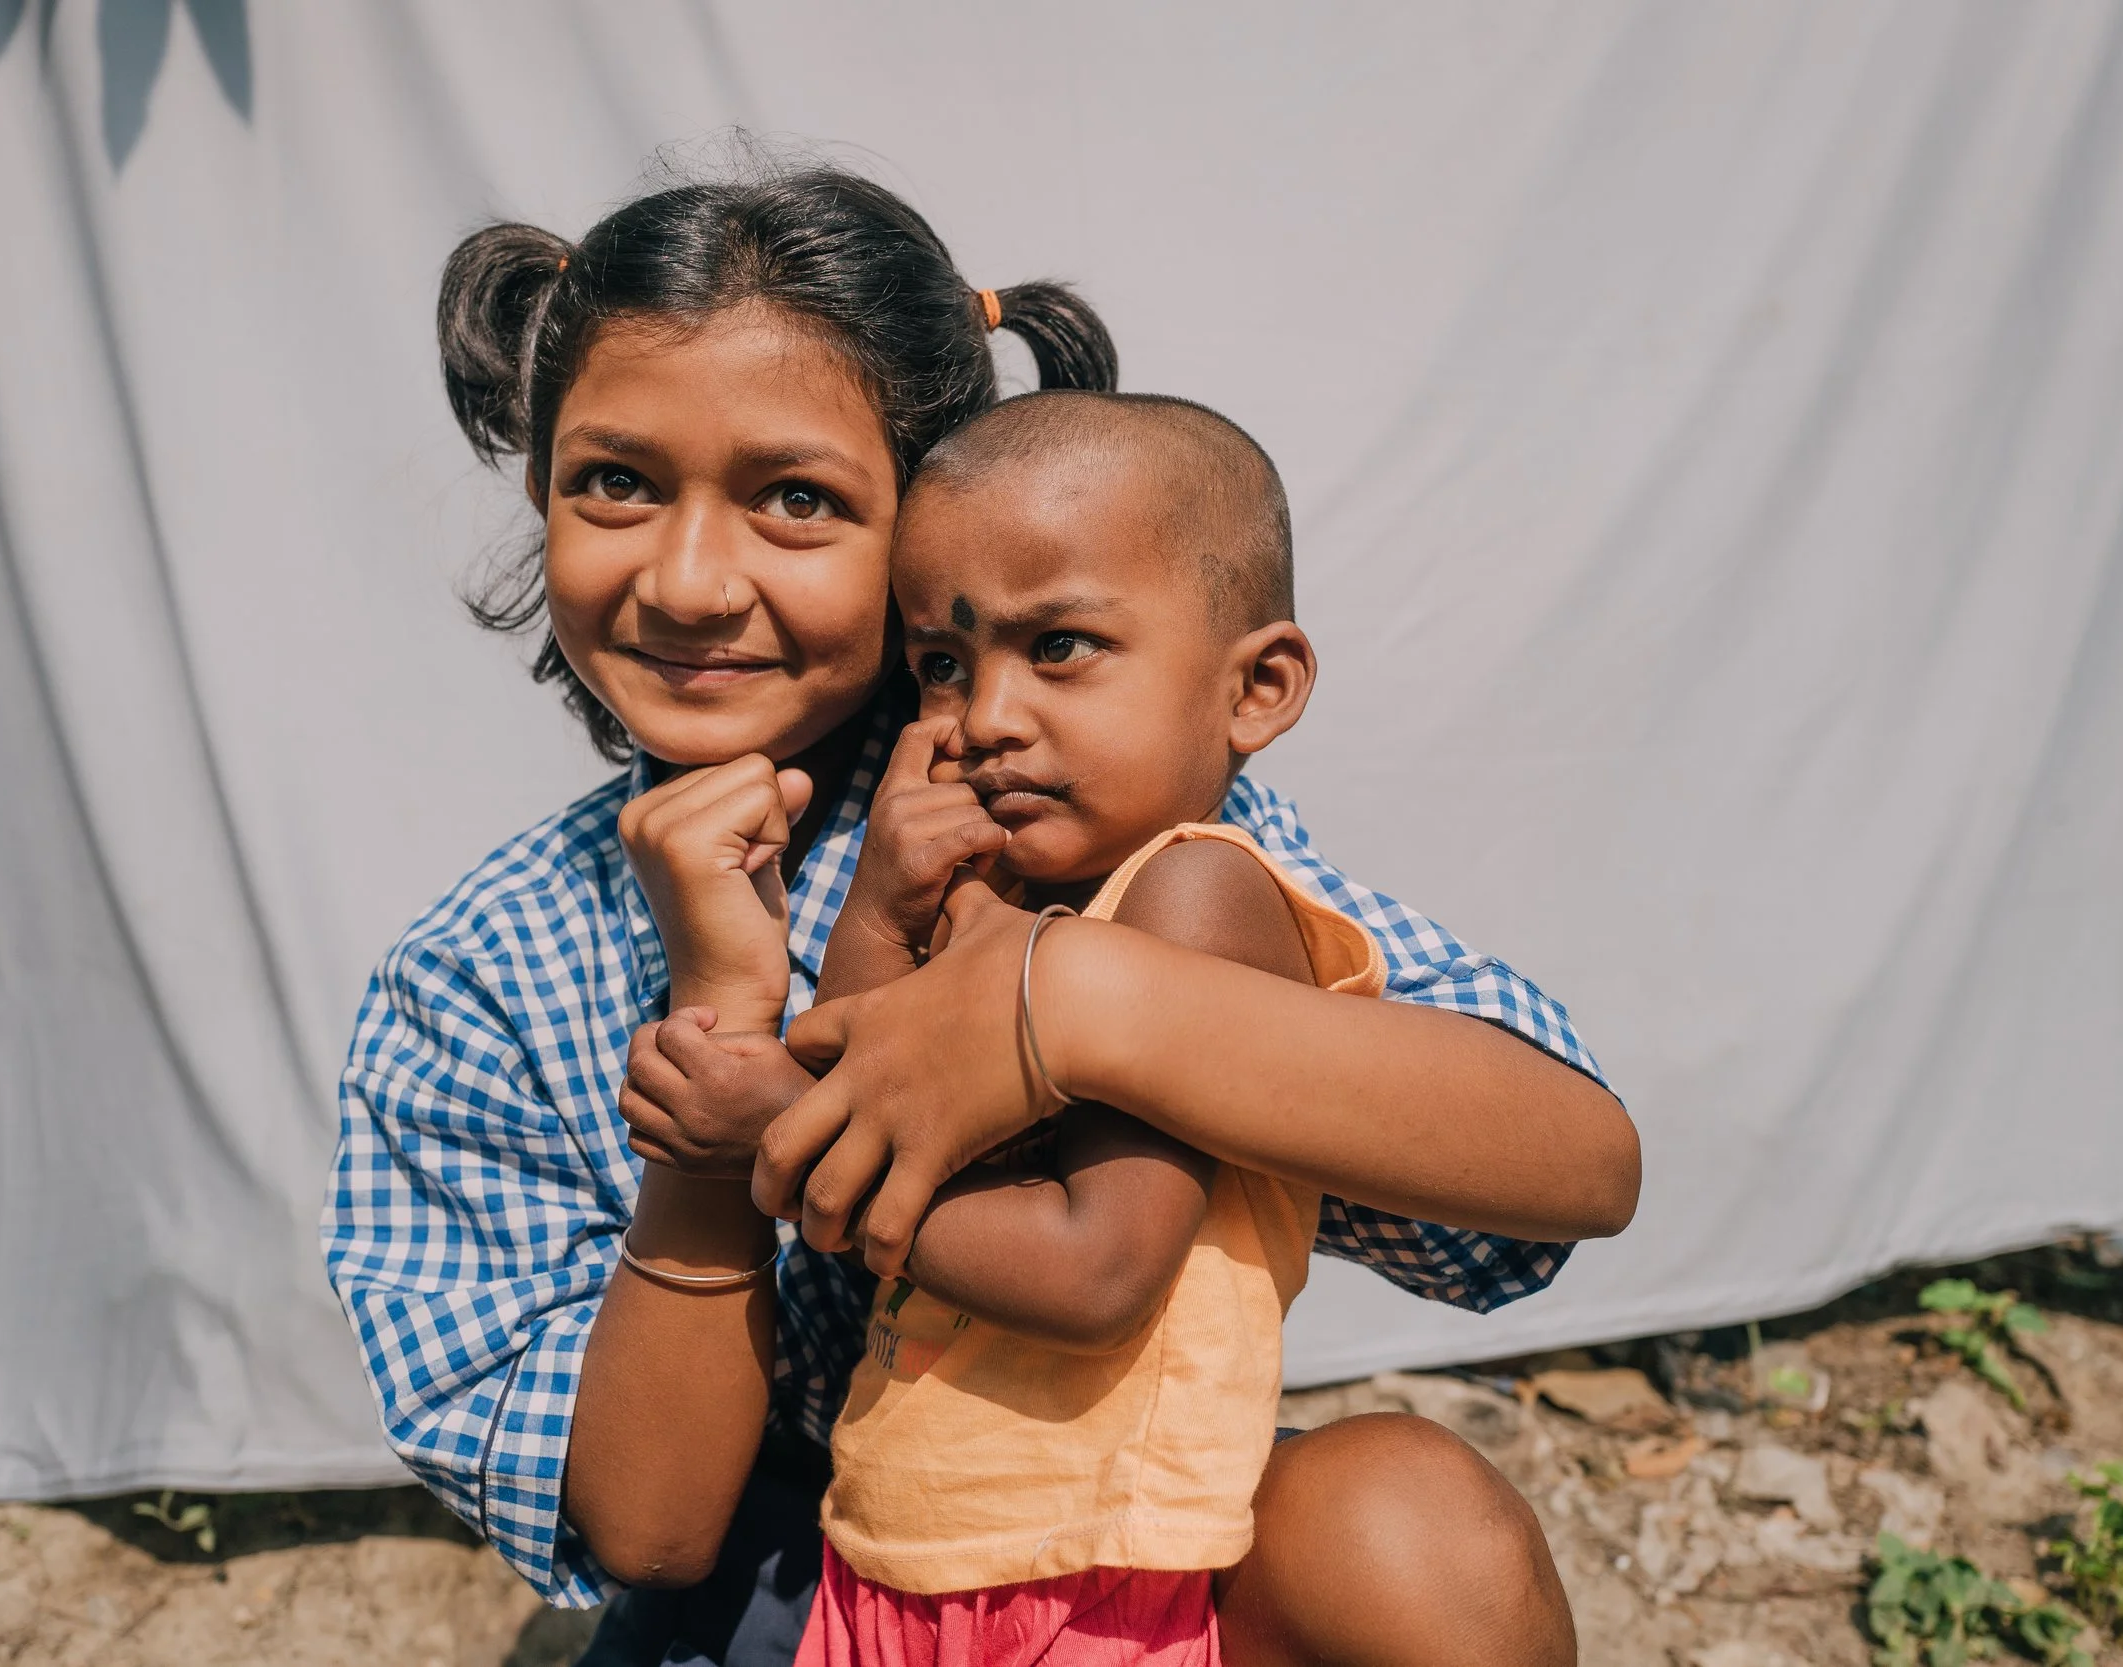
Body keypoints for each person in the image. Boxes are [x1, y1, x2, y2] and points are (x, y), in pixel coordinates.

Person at [322, 163, 1639, 1667]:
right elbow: (657, 1530)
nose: (689, 579)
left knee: (1405, 1523)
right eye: (614, 480)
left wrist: (1080, 1004)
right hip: (779, 1603)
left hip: (1103, 1550)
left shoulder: (1060, 810)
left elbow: (1570, 1169)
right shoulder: (479, 977)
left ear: (929, 522)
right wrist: (716, 1051)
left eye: (799, 498)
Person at [781, 387, 1440, 1666]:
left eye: (1061, 645)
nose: (986, 717)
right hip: (908, 1552)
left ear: (1257, 688)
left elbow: (1096, 1272)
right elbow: (852, 1089)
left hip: (1087, 1576)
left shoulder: (1194, 896)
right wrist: (877, 903)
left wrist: (793, 1146)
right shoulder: (1008, 902)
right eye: (942, 665)